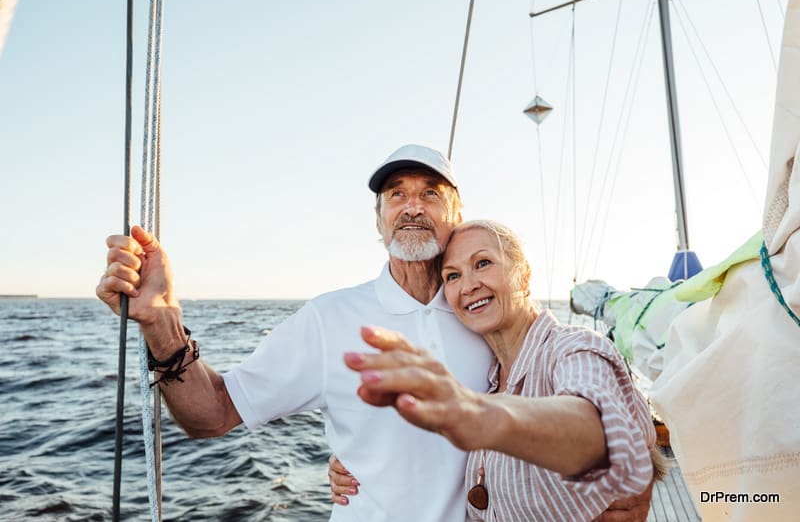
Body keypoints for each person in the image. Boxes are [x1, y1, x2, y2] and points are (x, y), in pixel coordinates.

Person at [98, 144, 653, 521]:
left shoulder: (484, 318)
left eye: (430, 193)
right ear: (379, 220)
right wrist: (162, 321)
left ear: (455, 214)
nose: (412, 206)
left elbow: (587, 407)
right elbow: (212, 413)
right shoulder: (329, 319)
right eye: (396, 194)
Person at [341, 220, 659, 520]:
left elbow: (595, 428)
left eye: (483, 263)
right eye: (452, 276)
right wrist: (360, 460)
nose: (468, 285)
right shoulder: (486, 377)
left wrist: (480, 416)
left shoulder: (575, 349)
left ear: (523, 275)